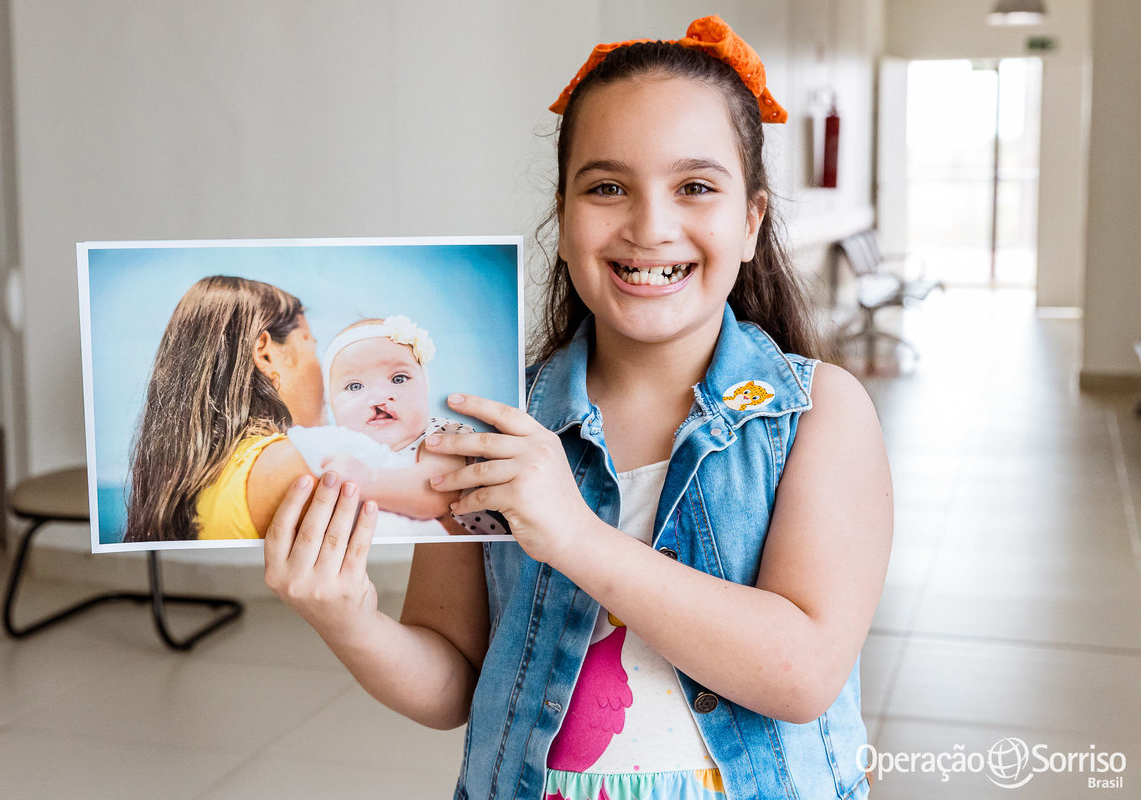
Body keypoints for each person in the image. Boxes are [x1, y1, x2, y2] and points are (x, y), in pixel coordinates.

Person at [262, 15, 892, 800]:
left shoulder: (819, 414)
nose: (651, 226)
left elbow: (803, 676)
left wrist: (573, 534)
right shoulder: (486, 419)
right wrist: (347, 617)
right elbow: (453, 679)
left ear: (752, 221)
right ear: (564, 221)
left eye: (695, 186)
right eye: (607, 187)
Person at [124, 276, 460, 543]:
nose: (324, 381)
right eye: (311, 345)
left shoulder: (195, 479)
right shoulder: (304, 459)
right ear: (266, 354)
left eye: (399, 378)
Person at [285, 315, 475, 539]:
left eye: (398, 379)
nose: (378, 397)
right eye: (355, 386)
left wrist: (369, 480)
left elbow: (438, 494)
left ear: (425, 387)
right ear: (330, 404)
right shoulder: (342, 448)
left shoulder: (442, 434)